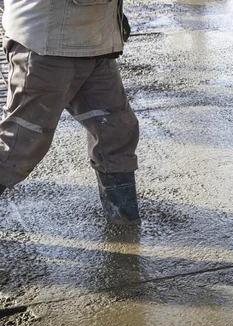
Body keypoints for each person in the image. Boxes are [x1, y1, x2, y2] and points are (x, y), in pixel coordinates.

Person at [0, 0, 140, 224]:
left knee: (115, 131)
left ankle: (123, 220)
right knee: (19, 144)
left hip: (96, 37)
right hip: (47, 41)